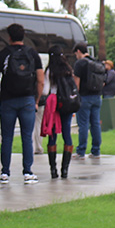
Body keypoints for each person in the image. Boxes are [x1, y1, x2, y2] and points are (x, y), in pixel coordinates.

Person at [0, 23, 44, 185]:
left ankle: (5, 173)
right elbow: (40, 81)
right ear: (23, 36)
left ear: (9, 37)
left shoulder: (2, 55)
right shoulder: (33, 54)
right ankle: (27, 172)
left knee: (7, 138)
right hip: (27, 100)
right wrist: (35, 100)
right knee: (27, 137)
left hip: (7, 100)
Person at [41, 46, 75, 179]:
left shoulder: (50, 70)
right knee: (67, 133)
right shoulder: (68, 69)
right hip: (66, 103)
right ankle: (65, 170)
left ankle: (53, 170)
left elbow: (45, 90)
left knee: (53, 134)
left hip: (54, 104)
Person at [72, 43, 104, 159]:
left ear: (79, 51)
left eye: (76, 54)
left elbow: (76, 84)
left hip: (84, 97)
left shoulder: (80, 63)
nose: (76, 56)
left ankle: (81, 151)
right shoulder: (96, 62)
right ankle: (96, 151)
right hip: (97, 96)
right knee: (95, 124)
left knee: (83, 124)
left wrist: (75, 97)